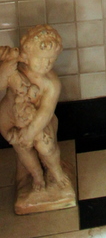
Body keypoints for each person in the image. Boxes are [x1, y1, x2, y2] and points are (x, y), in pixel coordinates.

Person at [0, 25, 70, 193]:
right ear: (27, 56)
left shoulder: (51, 83)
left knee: (47, 148)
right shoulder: (15, 68)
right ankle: (36, 174)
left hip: (37, 121)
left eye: (51, 60)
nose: (46, 64)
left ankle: (56, 171)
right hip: (10, 118)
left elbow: (46, 111)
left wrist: (31, 132)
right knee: (22, 148)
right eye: (41, 59)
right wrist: (4, 71)